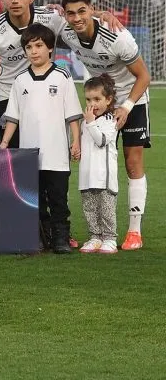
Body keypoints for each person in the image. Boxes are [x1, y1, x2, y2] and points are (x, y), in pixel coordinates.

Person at [0, 0, 121, 148]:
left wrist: (100, 13)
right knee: (6, 155)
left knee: (49, 151)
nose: (14, 1)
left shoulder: (51, 16)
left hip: (48, 93)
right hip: (8, 95)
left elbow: (77, 15)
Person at [59, 0, 152, 250]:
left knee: (132, 162)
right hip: (100, 102)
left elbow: (144, 76)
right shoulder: (67, 33)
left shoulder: (118, 36)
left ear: (91, 9)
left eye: (82, 11)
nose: (76, 18)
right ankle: (98, 232)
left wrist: (127, 106)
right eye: (70, 12)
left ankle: (134, 231)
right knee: (96, 161)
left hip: (131, 99)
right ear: (65, 14)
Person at [0, 24, 82, 254]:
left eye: (38, 46)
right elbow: (12, 118)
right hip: (29, 154)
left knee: (58, 199)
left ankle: (61, 239)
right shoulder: (20, 81)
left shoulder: (63, 76)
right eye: (28, 47)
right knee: (34, 199)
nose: (33, 51)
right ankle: (40, 237)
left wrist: (76, 141)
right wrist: (4, 143)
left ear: (50, 49)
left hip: (56, 154)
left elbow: (73, 115)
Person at [78, 74, 120, 254]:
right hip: (87, 174)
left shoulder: (110, 121)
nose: (92, 103)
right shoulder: (86, 120)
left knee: (106, 208)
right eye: (88, 99)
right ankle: (95, 236)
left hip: (104, 176)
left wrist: (90, 123)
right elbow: (84, 141)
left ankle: (110, 238)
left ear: (108, 100)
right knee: (89, 207)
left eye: (97, 99)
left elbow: (101, 141)